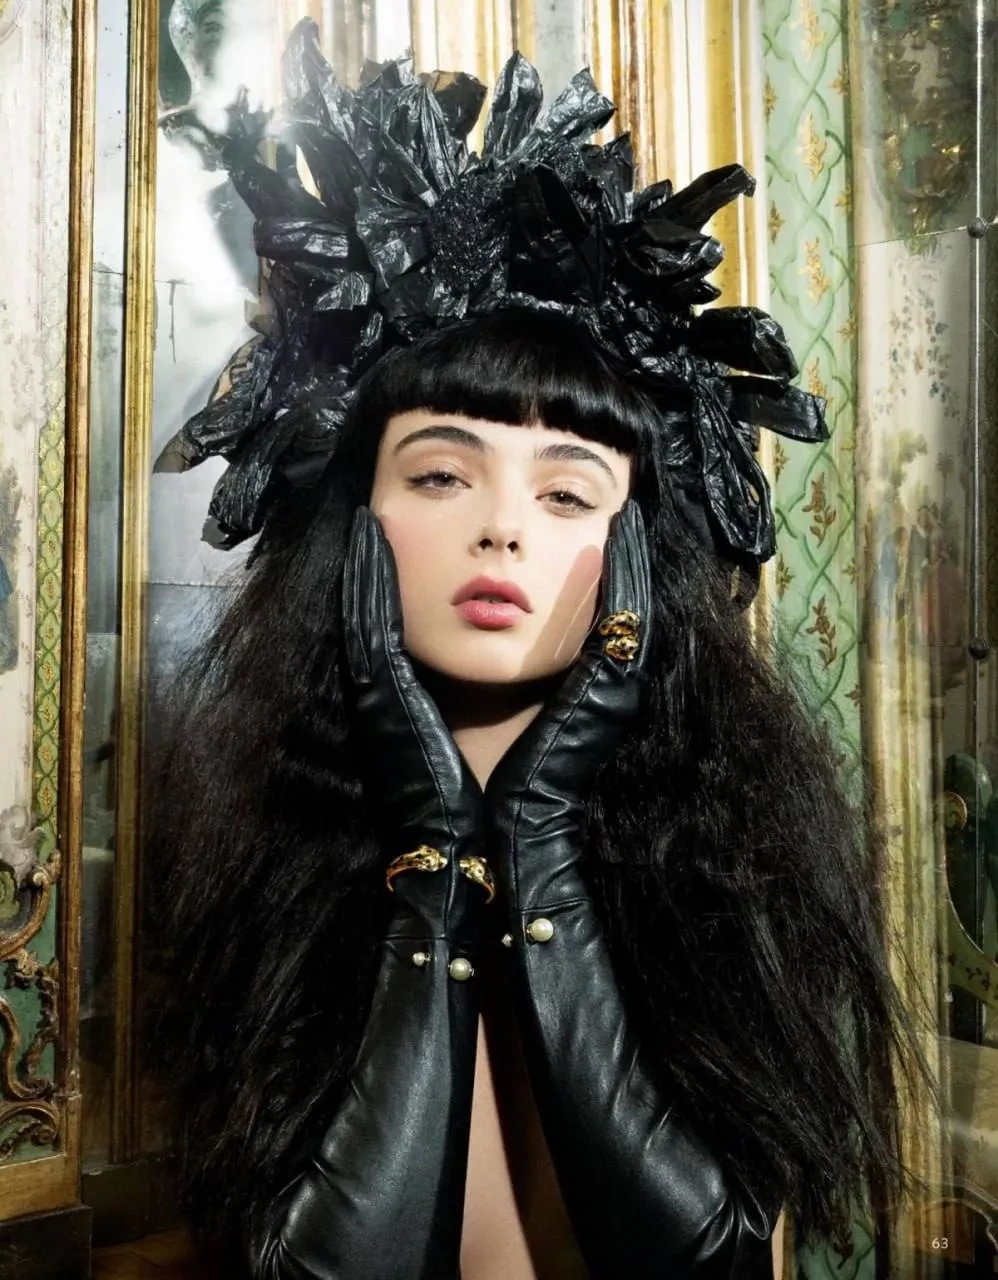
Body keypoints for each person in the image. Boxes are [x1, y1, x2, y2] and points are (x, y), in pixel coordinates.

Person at [144, 22, 941, 1279]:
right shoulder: (255, 870)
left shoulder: (723, 872)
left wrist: (539, 833)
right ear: (353, 523)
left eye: (567, 492)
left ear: (640, 558)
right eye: (440, 472)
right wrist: (436, 852)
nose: (503, 526)